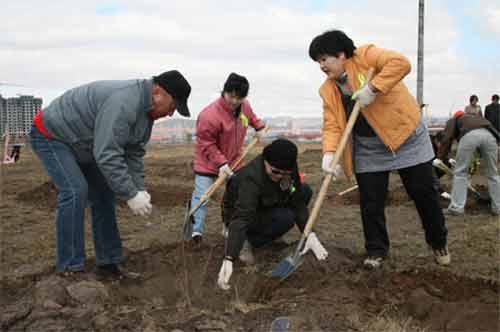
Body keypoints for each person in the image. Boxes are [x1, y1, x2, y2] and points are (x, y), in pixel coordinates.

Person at [308, 29, 450, 269]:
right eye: (318, 61)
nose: (321, 65)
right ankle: (376, 250)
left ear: (341, 55)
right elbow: (332, 123)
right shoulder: (328, 89)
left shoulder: (366, 56)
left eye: (324, 59)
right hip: (369, 148)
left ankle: (438, 242)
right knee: (371, 201)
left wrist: (373, 89)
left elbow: (400, 64)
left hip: (405, 137)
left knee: (424, 194)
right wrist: (329, 153)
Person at [29, 70, 191, 277]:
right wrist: (130, 194)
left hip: (86, 143)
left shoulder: (146, 113)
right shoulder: (124, 102)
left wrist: (138, 188)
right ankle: (69, 269)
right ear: (158, 91)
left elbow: (133, 152)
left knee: (105, 194)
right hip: (53, 135)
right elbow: (107, 154)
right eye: (172, 106)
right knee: (75, 190)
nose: (171, 114)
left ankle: (109, 264)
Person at [217, 139, 327, 290]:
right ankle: (246, 241)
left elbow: (297, 202)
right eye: (275, 172)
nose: (279, 176)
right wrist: (229, 258)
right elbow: (241, 217)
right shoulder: (251, 178)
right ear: (265, 162)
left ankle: (271, 232)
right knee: (286, 218)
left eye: (285, 173)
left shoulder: (288, 168)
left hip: (266, 203)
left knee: (304, 191)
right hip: (239, 215)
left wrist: (310, 235)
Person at [188, 73, 266, 243]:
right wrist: (221, 163)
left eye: (240, 97)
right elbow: (206, 143)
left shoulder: (244, 106)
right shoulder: (209, 116)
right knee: (203, 196)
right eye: (232, 96)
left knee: (235, 197)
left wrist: (259, 127)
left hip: (235, 161)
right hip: (208, 163)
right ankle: (195, 233)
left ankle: (228, 227)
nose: (234, 101)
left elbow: (250, 117)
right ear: (224, 91)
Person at [436, 110, 500, 216]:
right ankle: (498, 208)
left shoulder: (454, 120)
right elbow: (493, 130)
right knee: (493, 173)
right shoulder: (477, 118)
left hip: (470, 136)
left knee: (460, 172)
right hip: (489, 137)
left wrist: (440, 157)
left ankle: (457, 208)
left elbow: (446, 139)